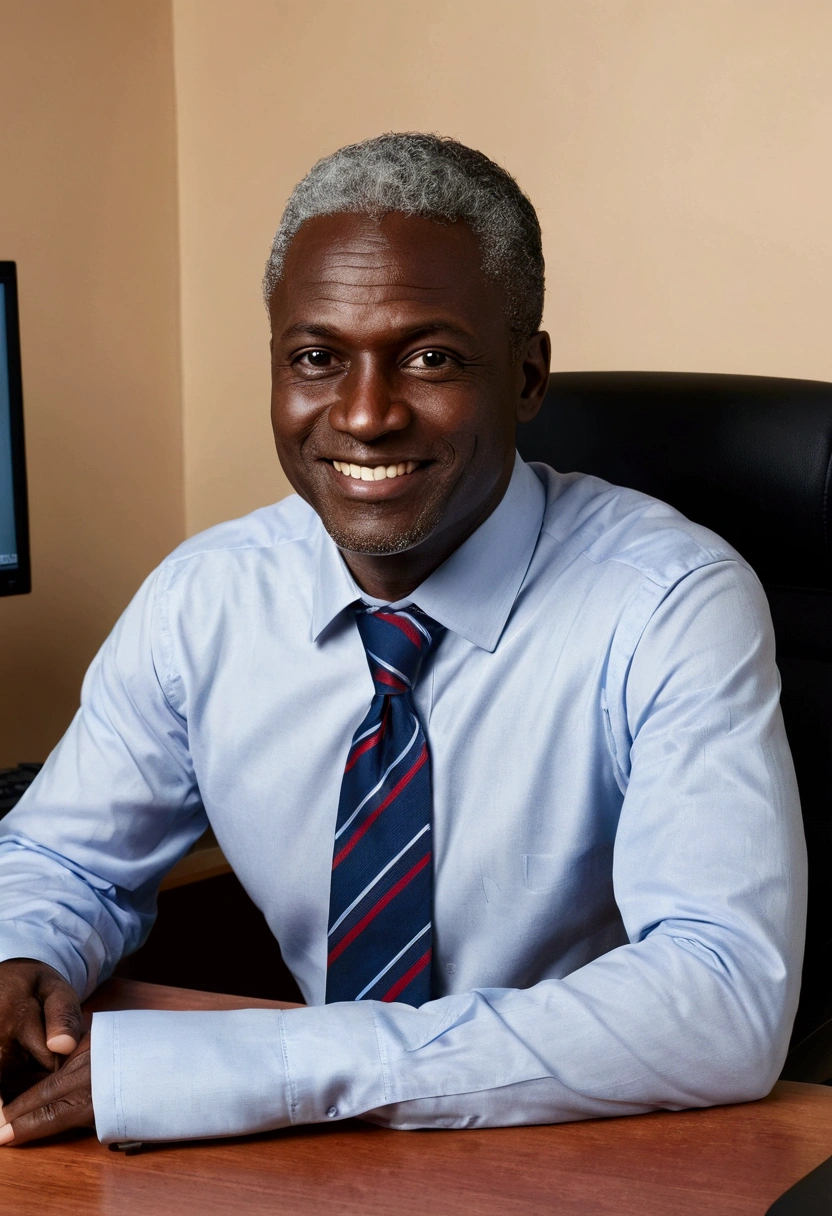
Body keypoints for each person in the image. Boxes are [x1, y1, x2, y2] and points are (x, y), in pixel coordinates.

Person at [0, 134, 805, 1148]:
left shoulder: (670, 601)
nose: (366, 414)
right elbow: (63, 857)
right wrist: (22, 951)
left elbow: (723, 998)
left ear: (526, 376)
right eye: (316, 358)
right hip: (317, 1158)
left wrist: (279, 1069)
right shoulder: (205, 599)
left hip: (593, 1144)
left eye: (429, 357)